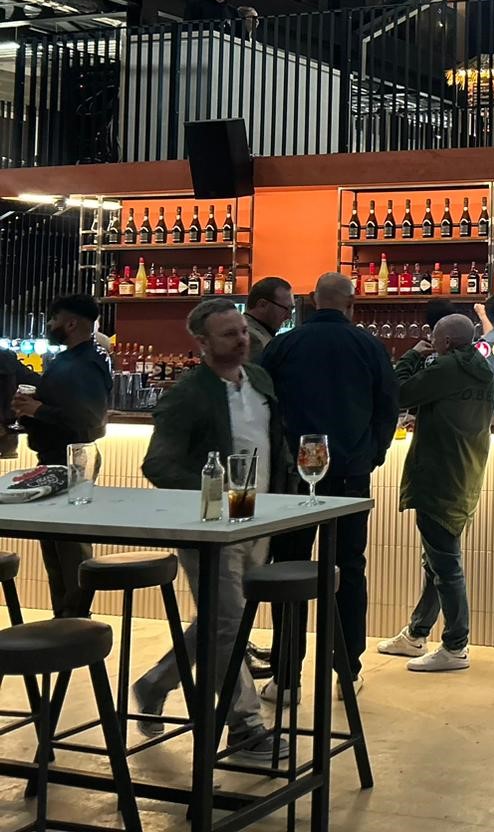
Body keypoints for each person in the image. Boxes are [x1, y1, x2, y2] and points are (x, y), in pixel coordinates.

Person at [135, 299, 289, 763]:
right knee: (227, 624)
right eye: (229, 334)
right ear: (202, 342)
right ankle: (244, 727)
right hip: (208, 526)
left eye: (243, 331)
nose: (242, 340)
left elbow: (273, 442)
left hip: (257, 518)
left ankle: (156, 681)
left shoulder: (260, 381)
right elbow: (157, 463)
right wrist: (213, 490)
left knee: (226, 621)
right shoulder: (187, 394)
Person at [259, 272, 400, 695]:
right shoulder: (369, 346)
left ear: (311, 301)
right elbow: (388, 406)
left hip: (293, 478)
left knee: (289, 570)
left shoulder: (284, 345)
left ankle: (286, 677)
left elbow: (264, 403)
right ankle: (347, 671)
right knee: (349, 571)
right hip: (350, 474)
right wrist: (371, 455)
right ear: (351, 304)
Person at [377, 314, 494, 673]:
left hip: (438, 474)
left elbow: (397, 393)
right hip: (465, 471)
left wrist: (413, 355)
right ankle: (417, 632)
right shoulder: (484, 370)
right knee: (437, 559)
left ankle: (455, 644)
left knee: (445, 564)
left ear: (443, 342)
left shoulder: (445, 368)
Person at [11, 294, 109, 618]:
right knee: (55, 548)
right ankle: (64, 618)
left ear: (71, 323)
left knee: (69, 549)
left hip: (73, 461)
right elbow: (67, 410)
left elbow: (89, 423)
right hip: (56, 459)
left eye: (54, 320)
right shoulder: (70, 361)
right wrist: (32, 410)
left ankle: (76, 620)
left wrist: (39, 408)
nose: (50, 325)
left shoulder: (87, 364)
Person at [243, 276, 294, 361]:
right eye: (286, 309)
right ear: (262, 305)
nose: (289, 316)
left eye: (292, 309)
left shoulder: (253, 332)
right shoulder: (253, 339)